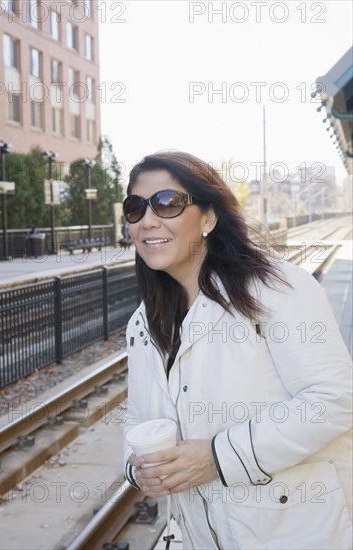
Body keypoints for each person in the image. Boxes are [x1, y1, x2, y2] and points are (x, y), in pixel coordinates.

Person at [123, 151, 352, 549]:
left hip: (290, 532)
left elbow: (335, 400)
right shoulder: (144, 324)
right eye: (135, 208)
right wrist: (137, 469)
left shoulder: (277, 289)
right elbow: (138, 422)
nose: (148, 220)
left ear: (209, 217)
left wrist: (217, 458)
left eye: (167, 203)